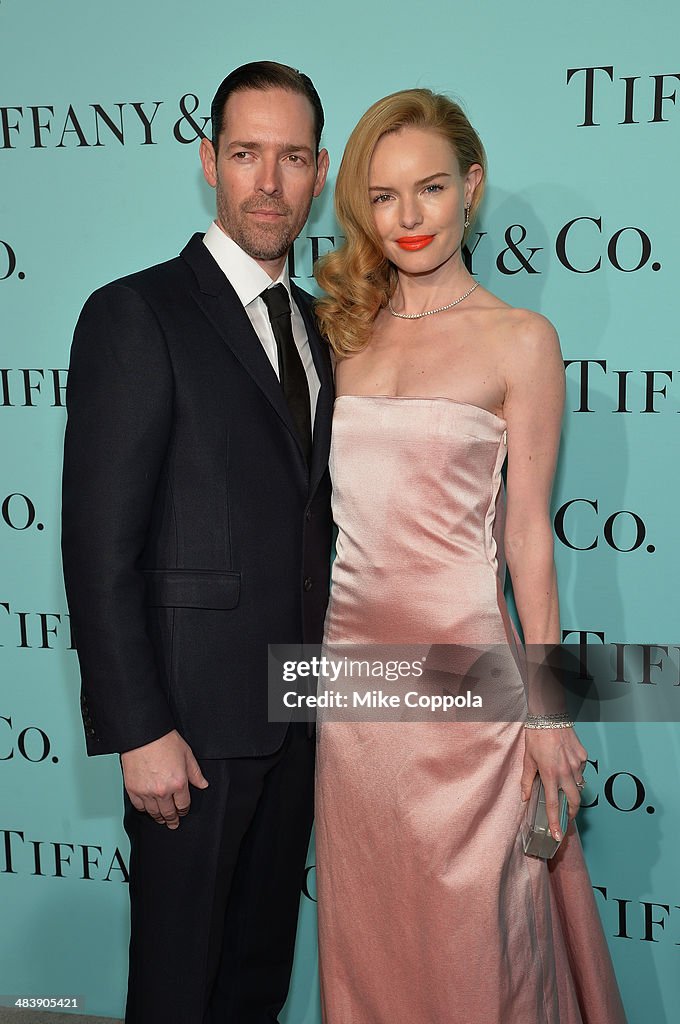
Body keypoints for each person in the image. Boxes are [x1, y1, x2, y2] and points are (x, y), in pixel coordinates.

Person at [313, 89, 627, 1024]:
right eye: (383, 196)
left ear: (472, 188)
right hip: (355, 689)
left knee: (479, 934)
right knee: (371, 931)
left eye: (432, 188)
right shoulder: (341, 336)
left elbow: (528, 538)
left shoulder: (521, 342)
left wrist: (544, 709)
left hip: (470, 686)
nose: (408, 219)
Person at [61, 61, 332, 1024]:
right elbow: (98, 546)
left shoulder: (317, 327)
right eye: (249, 154)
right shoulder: (137, 313)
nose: (271, 181)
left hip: (298, 716)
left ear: (321, 169)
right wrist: (139, 729)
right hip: (188, 731)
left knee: (256, 983)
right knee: (177, 990)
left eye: (293, 157)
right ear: (209, 162)